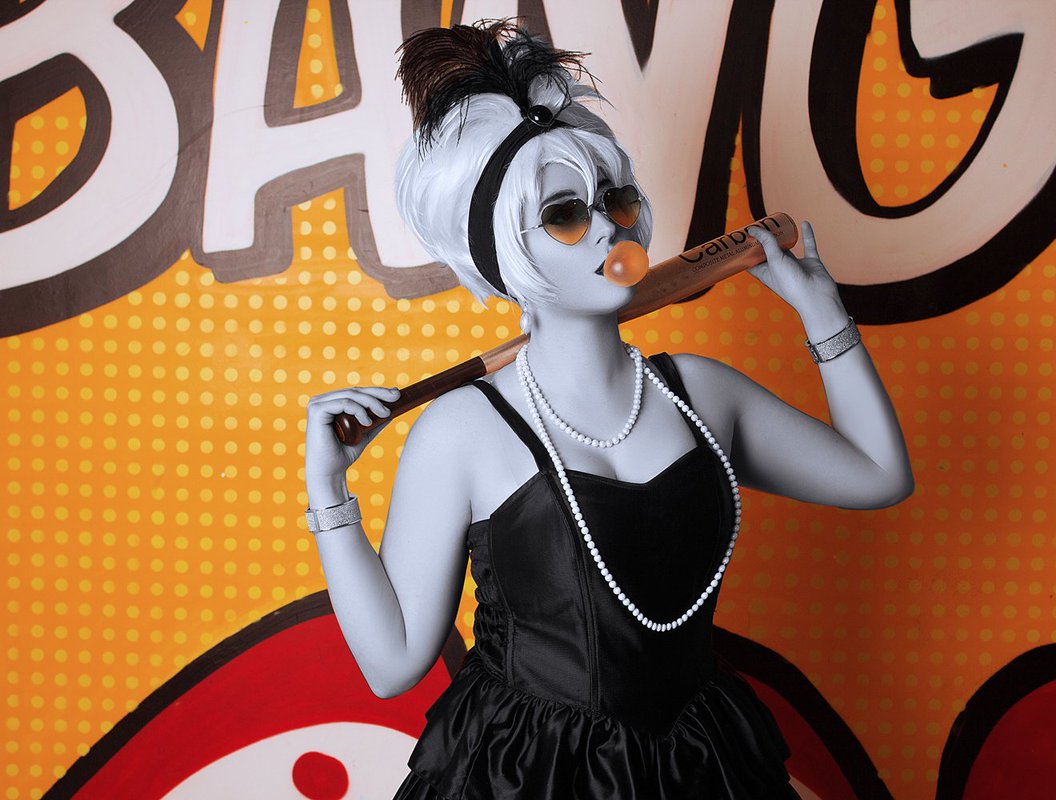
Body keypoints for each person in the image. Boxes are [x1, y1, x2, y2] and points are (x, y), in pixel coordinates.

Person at [303, 20, 913, 800]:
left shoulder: (701, 392)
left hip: (700, 767)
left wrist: (823, 315)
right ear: (506, 249)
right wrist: (329, 493)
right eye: (565, 214)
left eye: (615, 201)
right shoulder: (461, 431)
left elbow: (878, 476)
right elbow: (392, 666)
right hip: (525, 777)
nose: (608, 229)